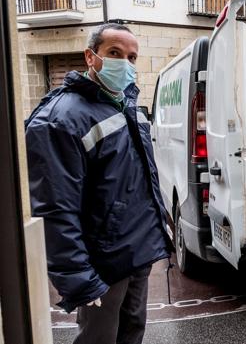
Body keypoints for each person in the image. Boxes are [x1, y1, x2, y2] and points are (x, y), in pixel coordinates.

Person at [26, 23, 172, 344]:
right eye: (115, 53)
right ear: (91, 57)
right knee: (99, 339)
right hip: (101, 265)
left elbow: (140, 177)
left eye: (132, 57)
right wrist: (79, 279)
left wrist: (160, 227)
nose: (126, 63)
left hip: (136, 253)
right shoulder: (59, 119)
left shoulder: (126, 104)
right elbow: (54, 208)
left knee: (132, 332)